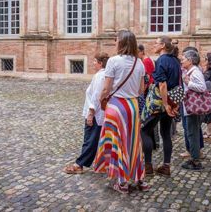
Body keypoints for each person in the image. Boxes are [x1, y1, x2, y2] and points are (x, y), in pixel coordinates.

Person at [93, 30, 149, 194]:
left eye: (116, 40)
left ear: (122, 43)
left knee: (118, 142)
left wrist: (101, 99)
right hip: (133, 107)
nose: (115, 42)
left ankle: (123, 181)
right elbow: (140, 90)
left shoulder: (113, 61)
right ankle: (139, 178)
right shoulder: (139, 63)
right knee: (134, 143)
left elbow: (106, 87)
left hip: (116, 105)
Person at [141, 36, 181, 176]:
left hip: (160, 103)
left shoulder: (162, 60)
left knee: (144, 131)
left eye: (156, 43)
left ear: (163, 45)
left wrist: (165, 104)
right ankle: (166, 166)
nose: (154, 45)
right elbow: (178, 84)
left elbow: (162, 84)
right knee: (165, 134)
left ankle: (148, 166)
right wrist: (174, 104)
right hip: (171, 101)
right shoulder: (176, 60)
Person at [64, 52, 109, 174]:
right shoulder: (102, 75)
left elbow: (97, 96)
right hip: (98, 113)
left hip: (96, 113)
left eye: (94, 61)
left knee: (90, 139)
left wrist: (91, 113)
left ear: (100, 63)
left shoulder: (100, 76)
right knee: (94, 138)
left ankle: (79, 164)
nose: (93, 63)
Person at [180, 50, 207, 170]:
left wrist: (188, 82)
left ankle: (196, 161)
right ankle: (194, 157)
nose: (182, 60)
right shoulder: (190, 71)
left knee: (193, 133)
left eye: (184, 59)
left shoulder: (195, 72)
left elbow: (202, 87)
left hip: (193, 108)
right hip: (189, 107)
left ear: (190, 61)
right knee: (191, 133)